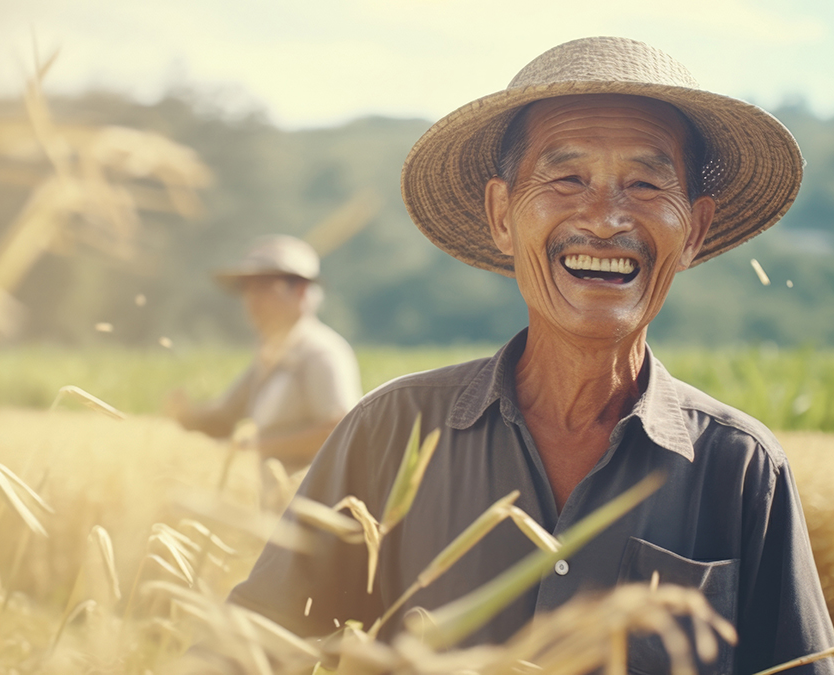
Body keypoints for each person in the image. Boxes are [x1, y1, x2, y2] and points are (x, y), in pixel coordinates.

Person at [229, 38, 834, 674]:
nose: (605, 219)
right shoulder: (391, 432)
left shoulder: (740, 468)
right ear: (501, 215)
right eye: (568, 178)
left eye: (647, 182)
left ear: (697, 230)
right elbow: (246, 654)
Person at [166, 235, 362, 473]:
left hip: (301, 498)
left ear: (299, 292)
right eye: (248, 289)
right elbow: (224, 417)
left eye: (263, 288)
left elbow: (339, 432)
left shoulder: (321, 352)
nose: (252, 300)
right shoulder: (272, 354)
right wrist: (183, 417)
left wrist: (249, 448)